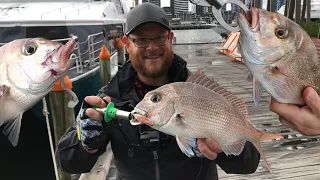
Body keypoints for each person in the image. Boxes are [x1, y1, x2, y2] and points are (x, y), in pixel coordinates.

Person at [55, 3, 260, 180]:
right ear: (127, 44)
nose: (152, 48)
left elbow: (248, 164)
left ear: (170, 38)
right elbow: (67, 163)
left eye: (159, 38)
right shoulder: (111, 99)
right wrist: (87, 142)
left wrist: (221, 148)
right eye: (141, 40)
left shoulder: (198, 89)